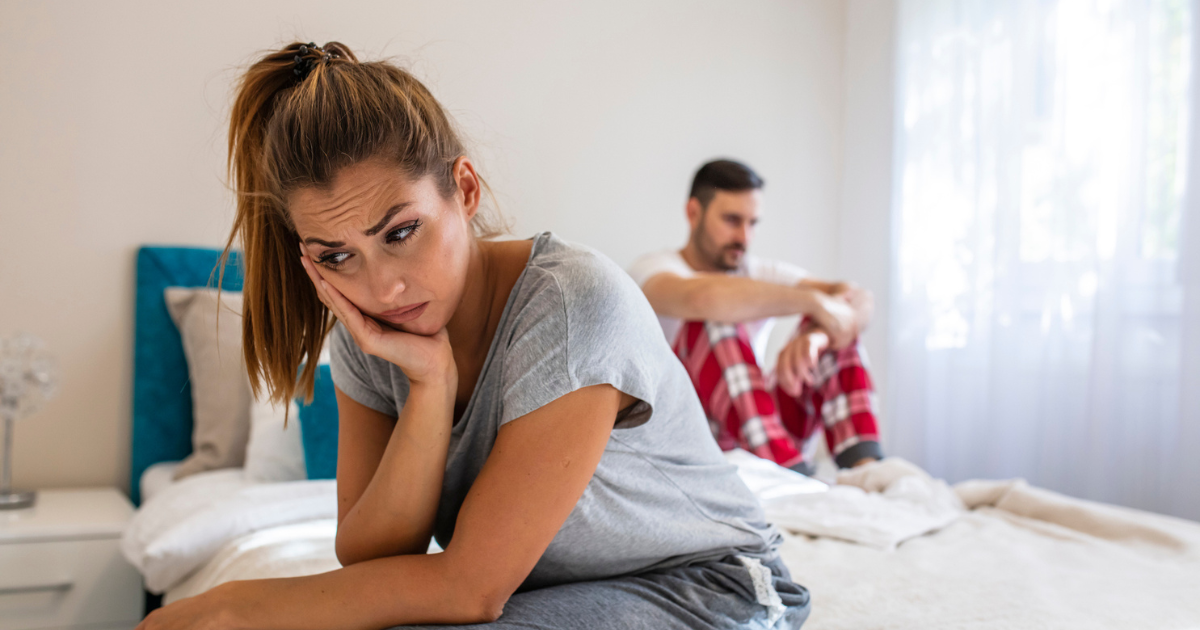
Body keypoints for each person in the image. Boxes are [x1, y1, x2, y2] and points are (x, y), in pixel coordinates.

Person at [135, 43, 810, 630]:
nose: (383, 288)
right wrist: (429, 387)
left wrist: (230, 608)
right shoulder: (370, 338)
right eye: (336, 256)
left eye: (401, 233)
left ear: (463, 188)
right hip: (560, 593)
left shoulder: (575, 304)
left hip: (707, 584)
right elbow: (372, 561)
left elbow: (470, 589)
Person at [627, 159, 883, 476]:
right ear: (693, 213)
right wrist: (814, 302)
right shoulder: (651, 270)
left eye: (753, 223)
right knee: (715, 315)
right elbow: (702, 297)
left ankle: (866, 473)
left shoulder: (757, 270)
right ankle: (791, 474)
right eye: (733, 220)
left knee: (832, 324)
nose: (744, 237)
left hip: (756, 430)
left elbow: (857, 299)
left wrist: (817, 335)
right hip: (691, 439)